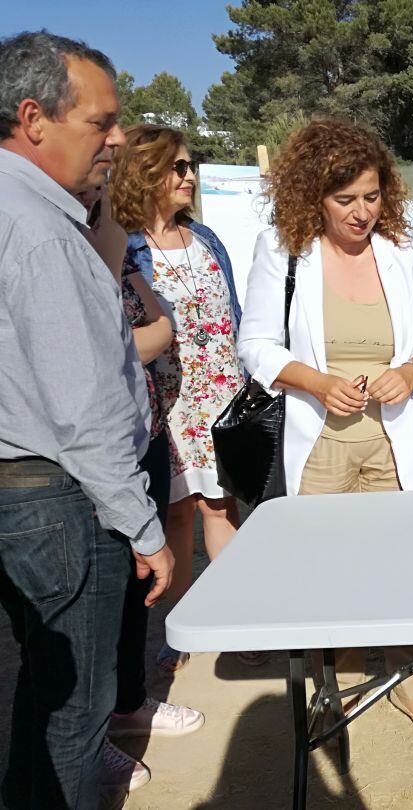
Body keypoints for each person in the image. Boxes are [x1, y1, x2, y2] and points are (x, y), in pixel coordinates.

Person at [0, 31, 174, 808]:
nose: (117, 139)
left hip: (29, 493)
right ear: (34, 118)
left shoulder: (36, 213)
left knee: (43, 699)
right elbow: (85, 404)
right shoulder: (36, 232)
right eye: (102, 122)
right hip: (57, 498)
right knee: (74, 710)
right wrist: (143, 527)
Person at [238, 120, 413, 737]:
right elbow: (253, 345)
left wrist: (411, 371)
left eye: (373, 195)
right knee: (328, 569)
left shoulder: (402, 252)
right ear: (314, 197)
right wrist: (315, 382)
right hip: (320, 444)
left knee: (406, 563)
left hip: (395, 441)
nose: (362, 213)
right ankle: (344, 675)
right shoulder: (285, 252)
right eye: (345, 199)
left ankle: (410, 679)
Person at [74, 187, 204, 793]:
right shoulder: (62, 262)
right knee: (85, 609)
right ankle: (84, 745)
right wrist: (141, 338)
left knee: (126, 590)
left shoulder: (120, 263)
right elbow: (117, 348)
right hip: (82, 457)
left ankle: (125, 704)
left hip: (141, 432)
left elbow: (162, 329)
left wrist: (143, 333)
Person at [110, 124, 245, 671]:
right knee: (178, 517)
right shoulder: (126, 249)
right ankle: (181, 629)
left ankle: (237, 622)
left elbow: (231, 315)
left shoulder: (207, 240)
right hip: (168, 404)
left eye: (190, 166)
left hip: (222, 398)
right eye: (177, 167)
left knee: (222, 507)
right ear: (145, 173)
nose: (189, 177)